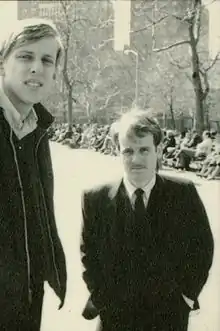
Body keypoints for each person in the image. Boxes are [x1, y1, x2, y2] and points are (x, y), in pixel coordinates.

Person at [80, 108, 214, 331]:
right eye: (128, 151)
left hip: (169, 316)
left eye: (144, 150)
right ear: (117, 151)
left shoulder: (183, 193)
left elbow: (202, 249)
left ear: (158, 150)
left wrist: (187, 298)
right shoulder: (95, 199)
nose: (136, 159)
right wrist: (101, 297)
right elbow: (88, 253)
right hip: (114, 316)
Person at [0, 18, 67, 329]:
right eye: (25, 57)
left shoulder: (36, 128)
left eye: (46, 60)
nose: (37, 68)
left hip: (27, 296)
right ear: (3, 64)